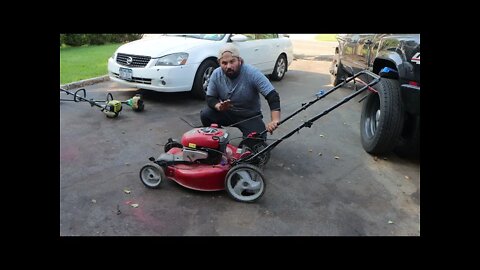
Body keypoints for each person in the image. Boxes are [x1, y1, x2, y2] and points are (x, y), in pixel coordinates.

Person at [200, 43, 281, 140]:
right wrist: (219, 106)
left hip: (249, 116)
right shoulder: (216, 74)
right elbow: (210, 97)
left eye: (232, 61)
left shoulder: (252, 73)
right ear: (219, 62)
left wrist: (275, 120)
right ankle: (217, 138)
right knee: (206, 114)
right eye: (224, 63)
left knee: (256, 142)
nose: (228, 66)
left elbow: (272, 95)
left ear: (240, 60)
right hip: (227, 113)